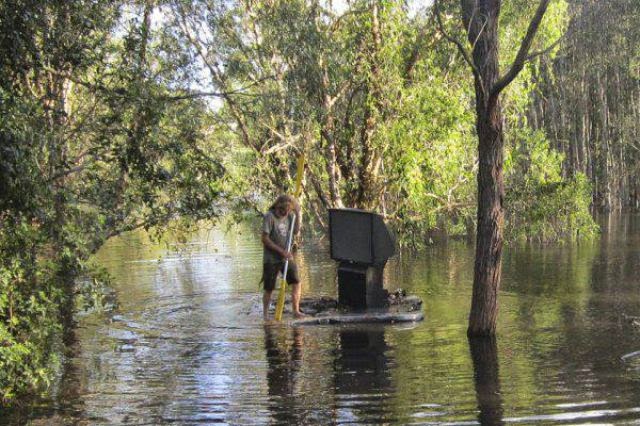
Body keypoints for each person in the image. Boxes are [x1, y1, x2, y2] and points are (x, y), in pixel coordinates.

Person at [261, 194, 305, 320]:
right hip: (271, 259)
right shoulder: (269, 216)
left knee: (296, 281)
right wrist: (281, 251)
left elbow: (295, 231)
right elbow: (264, 239)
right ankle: (265, 315)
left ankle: (296, 311)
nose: (284, 214)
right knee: (269, 287)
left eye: (286, 211)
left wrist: (297, 212)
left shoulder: (290, 215)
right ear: (277, 207)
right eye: (282, 211)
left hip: (286, 257)